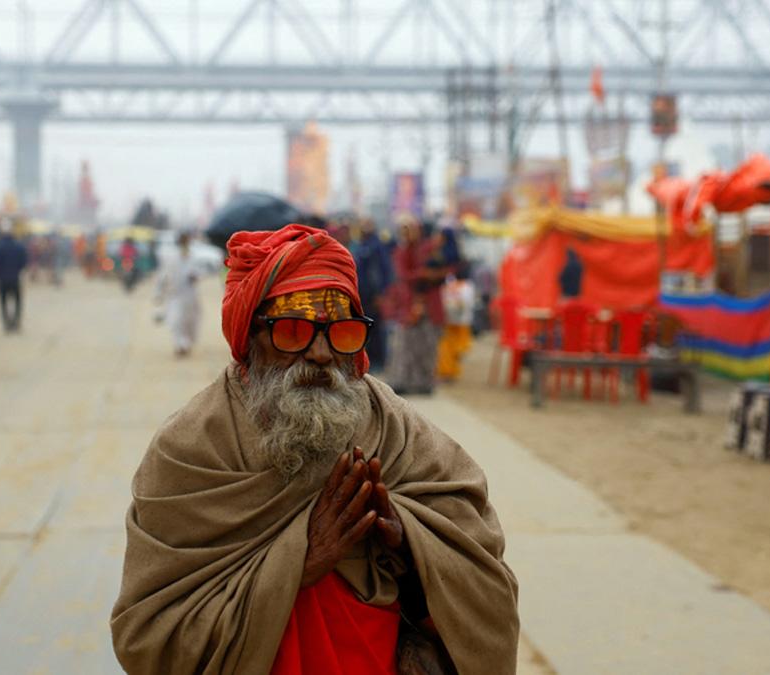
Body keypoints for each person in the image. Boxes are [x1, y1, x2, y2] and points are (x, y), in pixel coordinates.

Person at [111, 224, 518, 675]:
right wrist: (296, 564)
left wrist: (409, 542)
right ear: (251, 339)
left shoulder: (395, 430)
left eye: (341, 332)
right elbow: (148, 638)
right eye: (292, 331)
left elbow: (486, 581)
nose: (322, 352)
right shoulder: (191, 448)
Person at [385, 217, 447, 396]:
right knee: (405, 345)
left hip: (429, 306)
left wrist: (433, 274)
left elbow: (444, 270)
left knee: (427, 346)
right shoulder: (402, 252)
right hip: (409, 305)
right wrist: (423, 274)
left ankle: (424, 382)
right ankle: (402, 380)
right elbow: (403, 275)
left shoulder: (430, 250)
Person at [350, 218, 393, 371]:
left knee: (375, 328)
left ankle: (378, 361)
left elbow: (384, 272)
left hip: (373, 296)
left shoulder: (376, 247)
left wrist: (380, 294)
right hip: (362, 295)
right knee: (364, 327)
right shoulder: (361, 245)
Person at [153, 232, 204, 357]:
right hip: (174, 295)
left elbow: (199, 273)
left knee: (191, 322)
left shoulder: (193, 257)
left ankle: (186, 344)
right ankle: (180, 345)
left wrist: (195, 276)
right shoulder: (171, 257)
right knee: (175, 321)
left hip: (191, 296)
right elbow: (163, 276)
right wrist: (158, 292)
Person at [437, 266, 477, 383]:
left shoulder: (448, 285)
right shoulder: (468, 286)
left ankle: (447, 371)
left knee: (446, 348)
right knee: (457, 349)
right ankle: (452, 370)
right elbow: (470, 303)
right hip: (463, 323)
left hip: (448, 321)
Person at [0, 220, 28, 333]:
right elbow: (24, 262)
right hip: (15, 278)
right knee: (17, 301)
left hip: (2, 279)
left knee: (3, 302)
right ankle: (16, 322)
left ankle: (7, 323)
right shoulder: (19, 246)